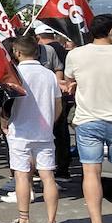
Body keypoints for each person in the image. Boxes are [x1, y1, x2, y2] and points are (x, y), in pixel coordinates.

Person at [64, 14, 112, 223]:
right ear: (110, 31)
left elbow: (69, 80)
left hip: (88, 120)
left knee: (91, 172)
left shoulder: (76, 54)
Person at [2, 35, 62, 223]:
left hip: (20, 131)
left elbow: (6, 106)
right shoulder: (50, 75)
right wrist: (48, 122)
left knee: (22, 175)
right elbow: (58, 106)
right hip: (44, 132)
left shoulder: (14, 75)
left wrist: (4, 123)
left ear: (17, 53)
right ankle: (52, 222)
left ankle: (23, 220)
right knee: (48, 176)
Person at [35, 23, 73, 180]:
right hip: (60, 94)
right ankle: (62, 168)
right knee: (60, 131)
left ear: (38, 37)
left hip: (45, 97)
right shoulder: (64, 49)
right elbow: (61, 71)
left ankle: (46, 167)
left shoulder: (46, 50)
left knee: (48, 132)